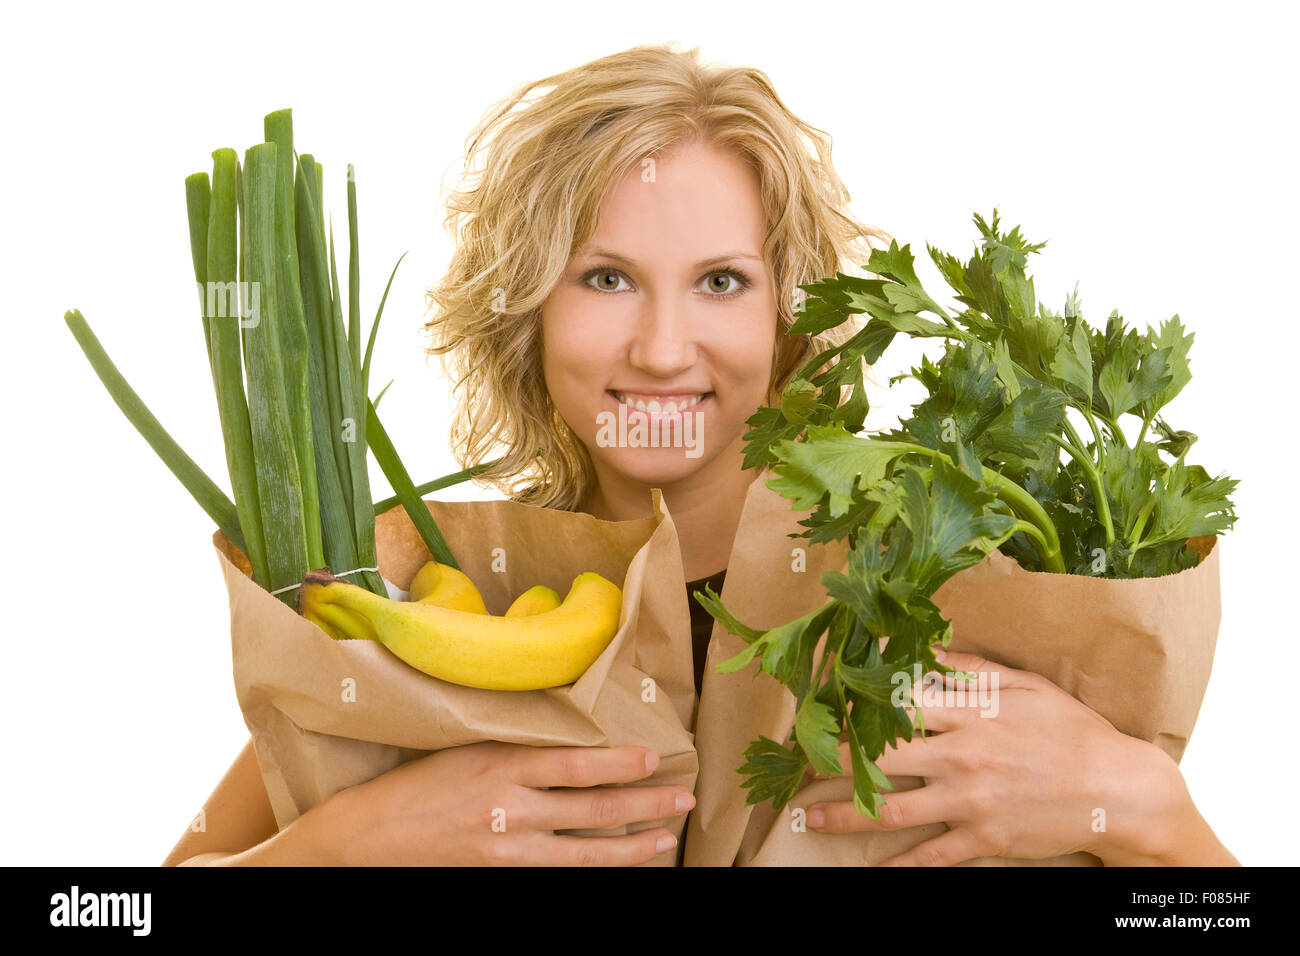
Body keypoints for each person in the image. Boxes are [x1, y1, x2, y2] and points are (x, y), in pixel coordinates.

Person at [164, 42, 1237, 867]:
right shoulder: (447, 610)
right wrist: (347, 843)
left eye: (721, 281)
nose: (663, 349)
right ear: (528, 311)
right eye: (606, 278)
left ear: (788, 314)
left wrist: (1147, 810)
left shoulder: (933, 589)